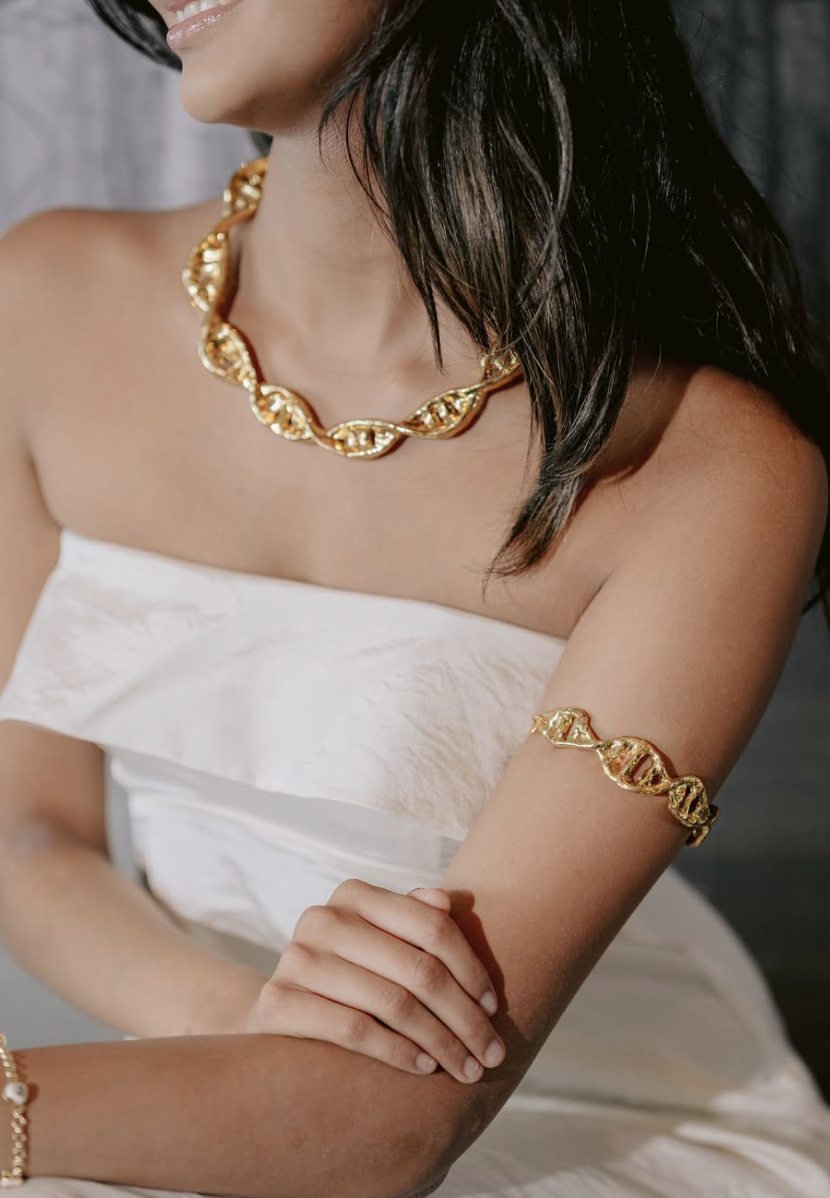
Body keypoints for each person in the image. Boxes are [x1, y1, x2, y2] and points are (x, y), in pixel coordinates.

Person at [0, 0, 829, 1194]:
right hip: (209, 1072)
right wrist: (232, 1012)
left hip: (590, 1122)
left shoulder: (707, 468)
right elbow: (35, 837)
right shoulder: (45, 299)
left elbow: (391, 1131)